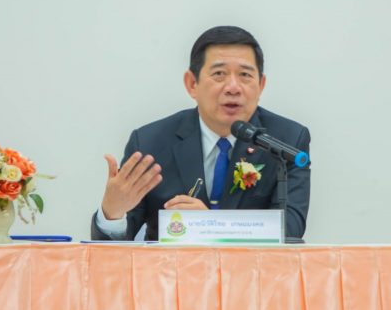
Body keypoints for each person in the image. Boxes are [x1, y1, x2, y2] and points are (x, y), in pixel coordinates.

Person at [91, 26, 311, 241]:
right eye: (219, 74)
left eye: (245, 75)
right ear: (192, 84)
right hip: (169, 266)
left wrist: (209, 225)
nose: (233, 87)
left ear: (261, 85)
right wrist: (112, 214)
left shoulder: (287, 141)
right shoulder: (150, 143)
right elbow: (116, 248)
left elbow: (290, 230)